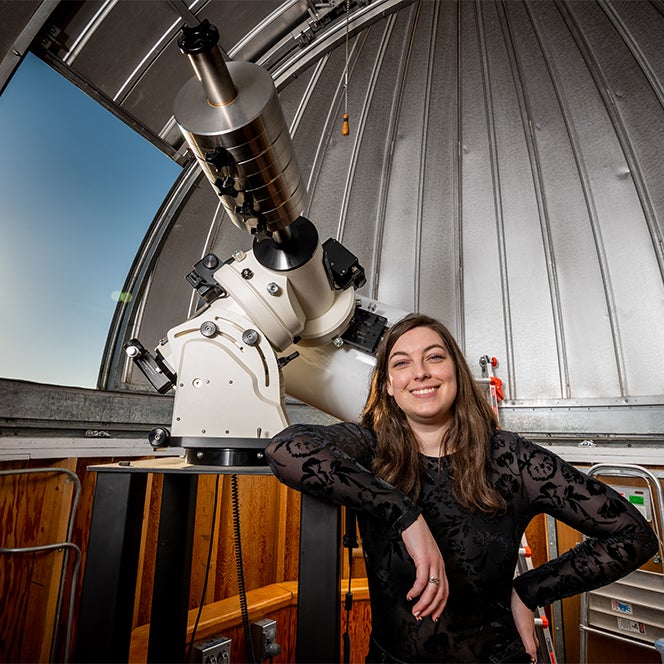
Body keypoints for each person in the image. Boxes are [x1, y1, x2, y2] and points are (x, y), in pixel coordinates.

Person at [266, 314, 658, 663]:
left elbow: (632, 534)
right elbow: (286, 449)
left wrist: (529, 590)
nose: (419, 372)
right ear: (388, 385)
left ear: (456, 372)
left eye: (434, 357)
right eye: (402, 363)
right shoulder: (371, 446)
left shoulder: (512, 458)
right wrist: (406, 516)